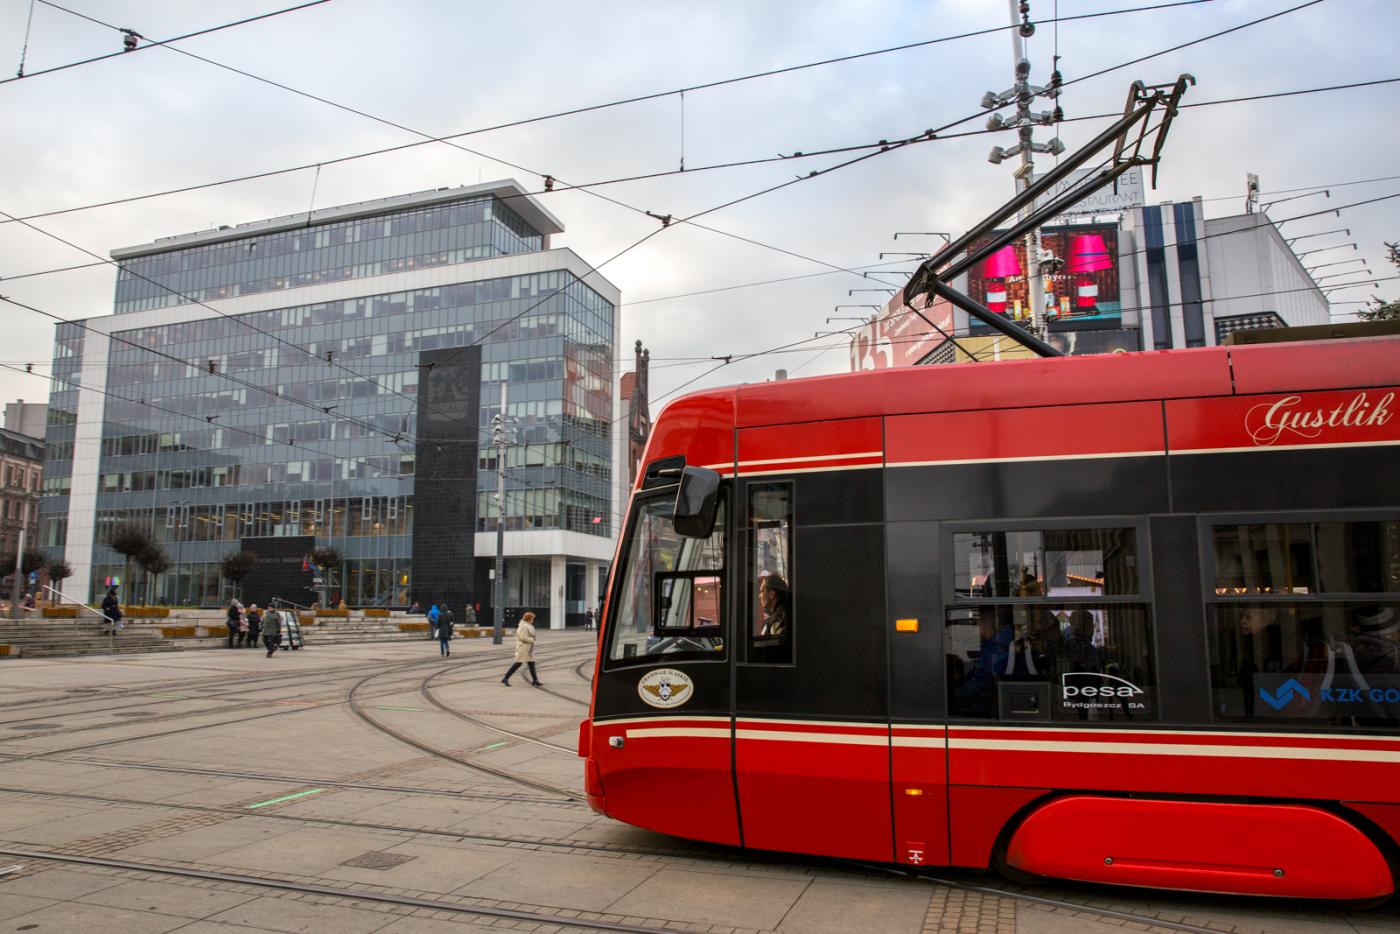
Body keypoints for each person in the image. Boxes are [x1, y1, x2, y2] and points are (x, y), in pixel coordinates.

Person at [502, 610, 542, 686]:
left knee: (531, 664)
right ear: (529, 618)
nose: (533, 620)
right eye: (532, 618)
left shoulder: (529, 625)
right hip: (523, 648)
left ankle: (535, 680)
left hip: (528, 648)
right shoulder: (523, 627)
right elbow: (523, 638)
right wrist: (532, 639)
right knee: (518, 663)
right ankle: (505, 678)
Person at [758, 574, 790, 638]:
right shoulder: (783, 615)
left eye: (762, 591)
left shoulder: (781, 618)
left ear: (771, 594)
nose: (759, 596)